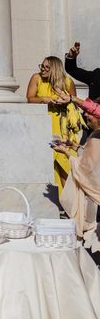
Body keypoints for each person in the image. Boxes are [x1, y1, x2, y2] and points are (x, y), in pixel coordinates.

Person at [27, 56, 85, 194]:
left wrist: (64, 102)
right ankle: (62, 202)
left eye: (47, 67)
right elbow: (30, 98)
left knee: (66, 164)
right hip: (45, 124)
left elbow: (74, 103)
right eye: (42, 65)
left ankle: (71, 201)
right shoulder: (37, 78)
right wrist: (45, 99)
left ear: (55, 69)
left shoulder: (67, 82)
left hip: (64, 127)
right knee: (53, 166)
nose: (43, 69)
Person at [54, 99, 100, 253]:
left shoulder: (97, 137)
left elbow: (87, 171)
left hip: (94, 200)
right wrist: (73, 146)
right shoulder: (95, 135)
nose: (86, 115)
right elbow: (89, 157)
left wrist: (67, 154)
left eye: (90, 113)